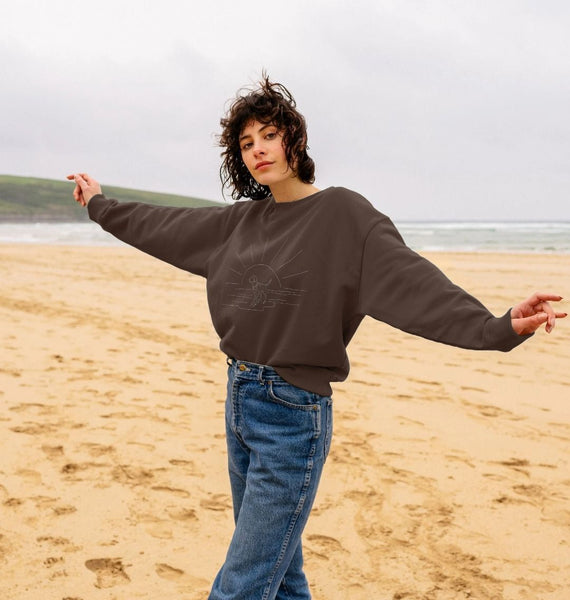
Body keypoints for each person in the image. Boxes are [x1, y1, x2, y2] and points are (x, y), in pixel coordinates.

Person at [68, 75, 565, 600]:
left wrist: (496, 327)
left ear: (293, 140)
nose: (257, 149)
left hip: (291, 415)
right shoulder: (240, 222)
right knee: (280, 578)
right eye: (246, 143)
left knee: (242, 585)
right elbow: (162, 226)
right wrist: (101, 205)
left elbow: (413, 283)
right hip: (239, 400)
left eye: (268, 135)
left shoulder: (345, 216)